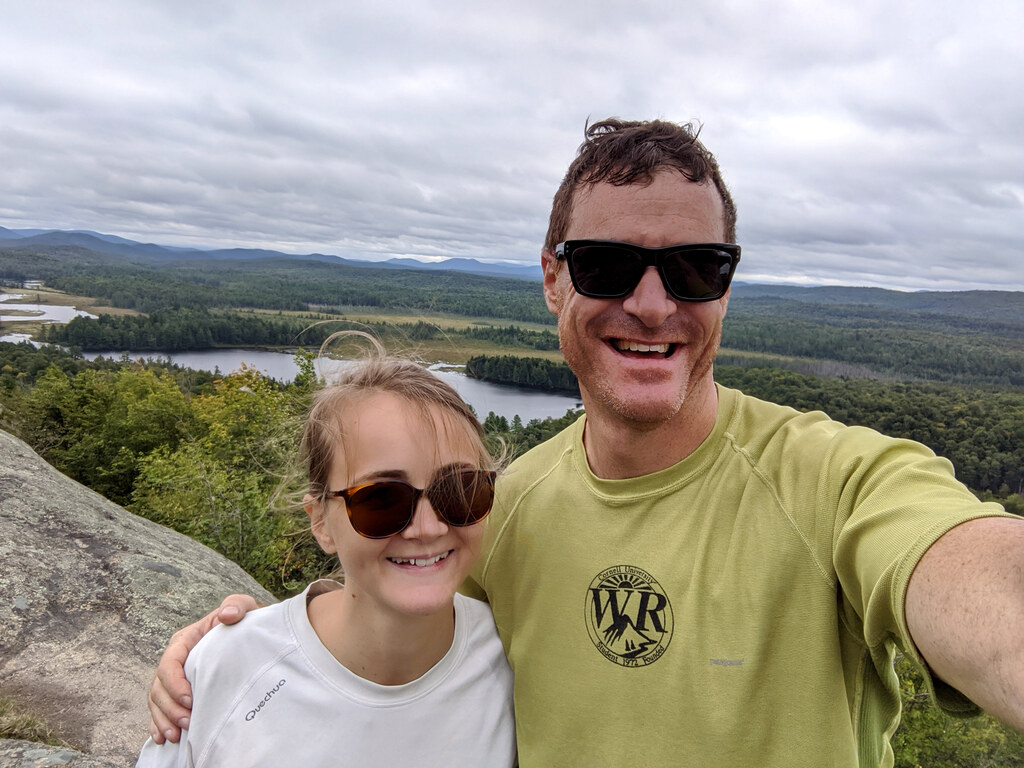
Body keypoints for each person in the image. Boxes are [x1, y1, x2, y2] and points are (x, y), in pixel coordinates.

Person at [148, 119, 1024, 767]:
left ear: (727, 284)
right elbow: (393, 606)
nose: (653, 303)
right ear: (552, 278)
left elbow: (976, 575)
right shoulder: (501, 508)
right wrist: (238, 647)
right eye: (608, 264)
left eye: (695, 268)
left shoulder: (838, 480)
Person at [137, 337, 516, 767]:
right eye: (381, 499)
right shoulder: (229, 668)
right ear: (321, 521)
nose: (428, 528)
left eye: (461, 490)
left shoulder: (514, 657)